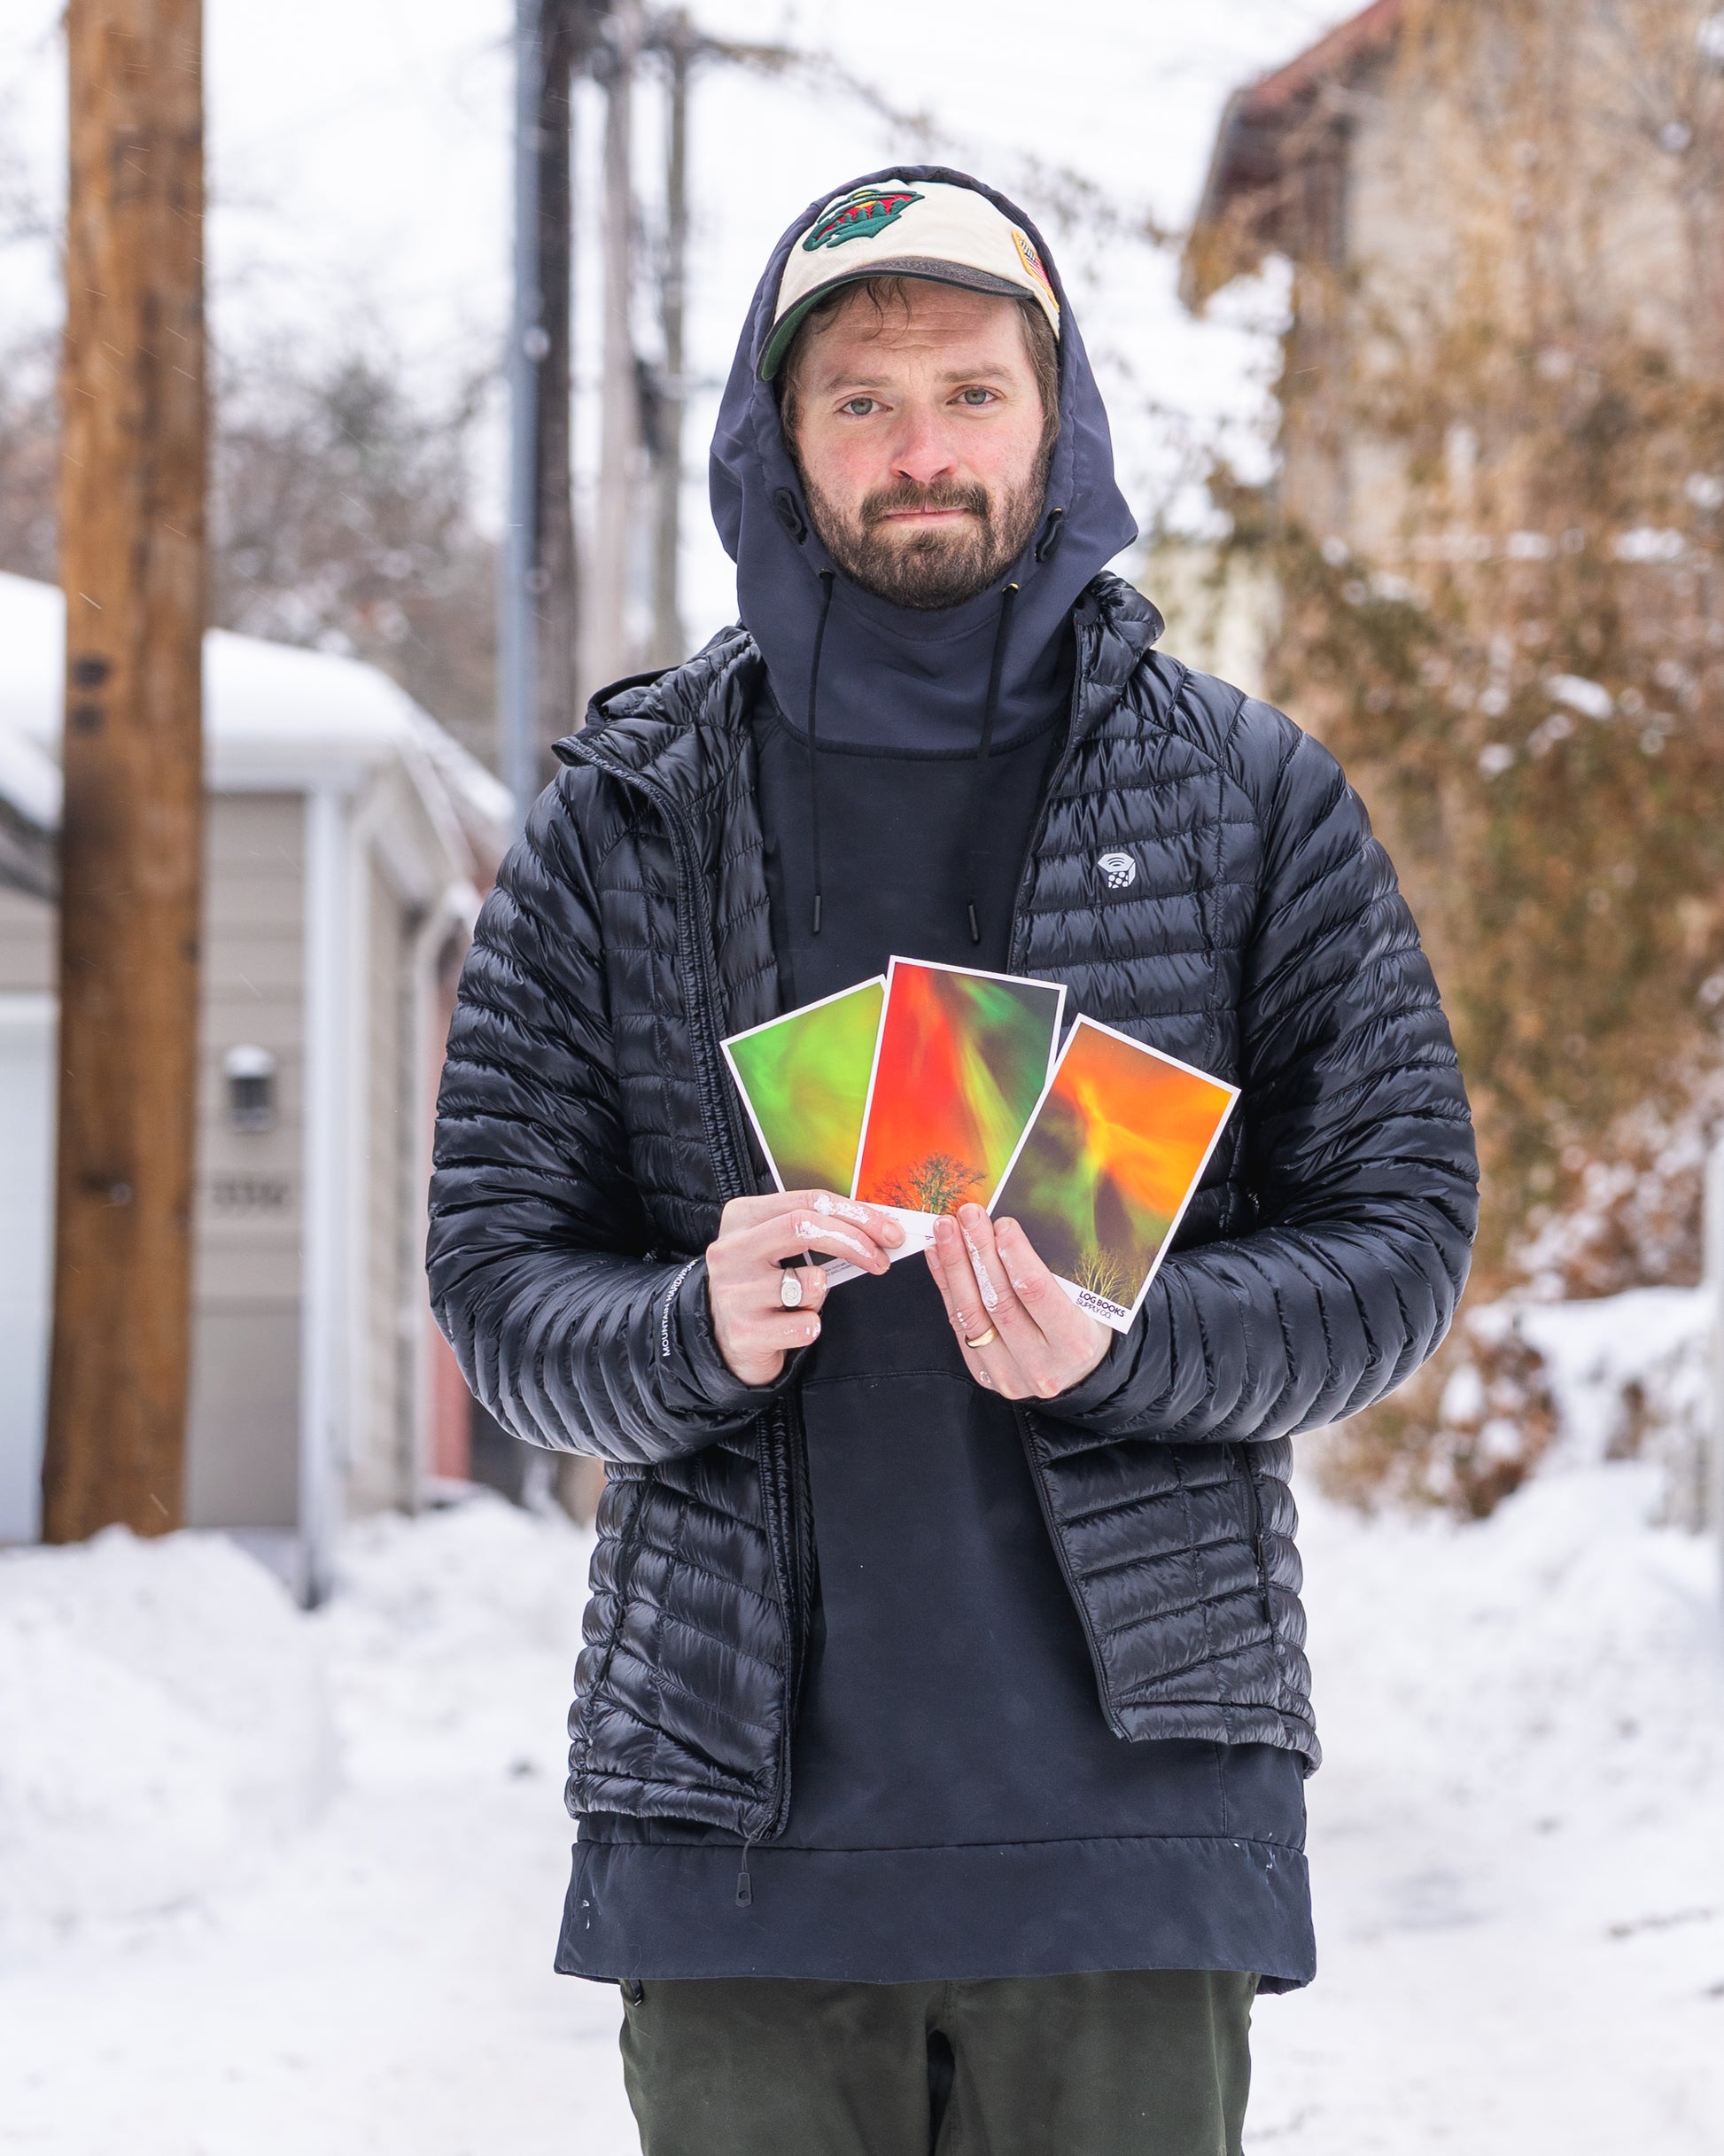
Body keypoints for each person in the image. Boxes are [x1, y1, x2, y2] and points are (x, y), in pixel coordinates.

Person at [428, 167, 1478, 2156]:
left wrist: (1127, 1335)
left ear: (1055, 418)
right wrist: (683, 1324)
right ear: (779, 438)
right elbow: (496, 1281)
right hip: (737, 1840)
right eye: (862, 399)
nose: (921, 448)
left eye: (971, 392)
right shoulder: (628, 814)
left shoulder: (1247, 796)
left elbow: (1400, 1236)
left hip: (1131, 1821)